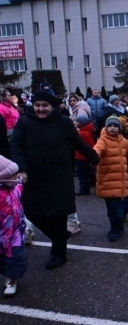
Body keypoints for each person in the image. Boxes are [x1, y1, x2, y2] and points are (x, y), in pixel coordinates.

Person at [11, 91, 99, 269]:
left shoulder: (63, 122)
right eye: (37, 105)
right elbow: (16, 145)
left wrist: (94, 158)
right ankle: (59, 236)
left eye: (45, 105)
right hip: (34, 176)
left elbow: (77, 142)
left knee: (59, 214)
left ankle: (59, 254)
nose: (41, 109)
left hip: (59, 174)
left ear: (52, 106)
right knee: (31, 211)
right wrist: (22, 168)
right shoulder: (24, 122)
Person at [94, 116, 128, 241]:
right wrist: (94, 156)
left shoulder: (123, 141)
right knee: (114, 208)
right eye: (110, 126)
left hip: (121, 180)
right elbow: (97, 149)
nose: (112, 128)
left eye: (115, 126)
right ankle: (115, 228)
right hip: (108, 180)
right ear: (106, 127)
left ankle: (118, 226)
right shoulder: (103, 140)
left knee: (117, 207)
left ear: (120, 128)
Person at [0, 155, 28, 296]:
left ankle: (11, 280)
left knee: (16, 256)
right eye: (12, 176)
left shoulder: (16, 188)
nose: (16, 178)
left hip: (16, 231)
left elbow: (21, 184)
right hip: (2, 232)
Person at [74, 113, 96, 195]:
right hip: (85, 156)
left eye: (77, 121)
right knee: (88, 171)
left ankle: (84, 189)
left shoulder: (83, 133)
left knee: (82, 174)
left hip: (81, 156)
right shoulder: (88, 130)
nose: (76, 123)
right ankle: (92, 183)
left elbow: (89, 145)